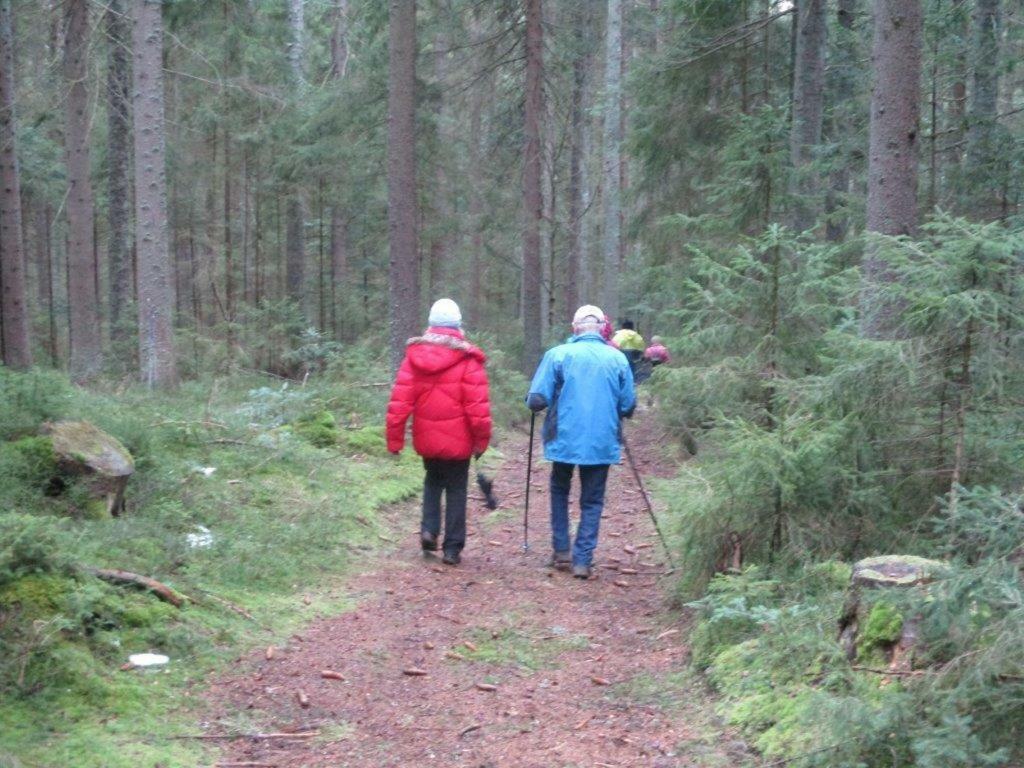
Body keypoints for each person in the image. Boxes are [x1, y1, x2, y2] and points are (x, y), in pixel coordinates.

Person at [526, 305, 636, 579]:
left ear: (575, 328)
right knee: (593, 500)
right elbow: (628, 404)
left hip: (563, 438)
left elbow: (537, 398)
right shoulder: (617, 359)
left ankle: (562, 551)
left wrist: (534, 403)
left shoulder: (557, 355)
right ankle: (583, 560)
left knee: (560, 490)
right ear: (601, 328)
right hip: (601, 440)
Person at [386, 298, 492, 566]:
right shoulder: (469, 359)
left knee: (433, 481)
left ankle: (429, 531)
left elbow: (399, 403)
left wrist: (394, 440)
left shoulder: (414, 357)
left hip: (427, 437)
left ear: (430, 324)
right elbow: (478, 409)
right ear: (458, 324)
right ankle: (452, 549)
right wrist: (481, 441)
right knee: (457, 488)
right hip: (460, 441)